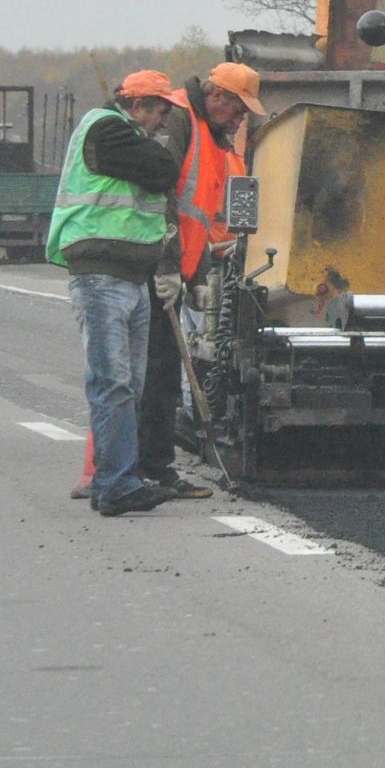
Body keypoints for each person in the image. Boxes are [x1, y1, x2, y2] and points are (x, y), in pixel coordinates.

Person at [46, 70, 184, 518]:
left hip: (129, 275)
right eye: (161, 110)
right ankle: (116, 484)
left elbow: (160, 181)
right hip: (101, 273)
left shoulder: (123, 136)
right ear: (139, 104)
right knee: (113, 383)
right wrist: (158, 164)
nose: (164, 123)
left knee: (130, 385)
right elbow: (165, 170)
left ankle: (118, 481)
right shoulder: (105, 130)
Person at [136, 60, 265, 499]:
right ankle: (148, 468)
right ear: (217, 98)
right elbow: (162, 198)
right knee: (155, 374)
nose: (242, 119)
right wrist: (169, 267)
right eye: (239, 109)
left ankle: (154, 465)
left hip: (175, 270)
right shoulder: (179, 120)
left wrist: (196, 274)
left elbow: (201, 219)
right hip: (153, 270)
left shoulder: (210, 137)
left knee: (165, 373)